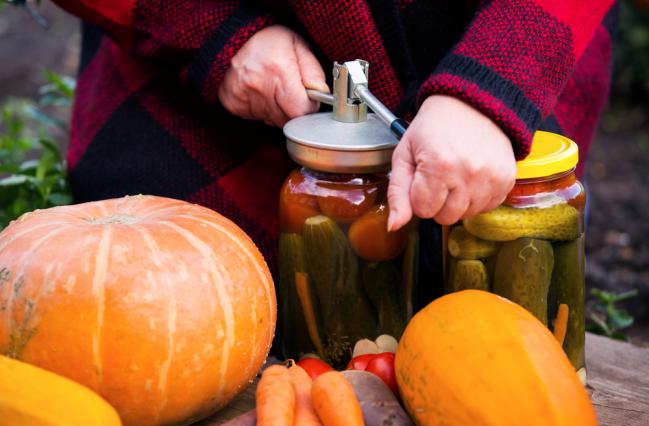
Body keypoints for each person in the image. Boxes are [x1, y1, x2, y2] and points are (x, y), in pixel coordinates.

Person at [51, 0, 616, 276]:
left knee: (505, 265)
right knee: (170, 280)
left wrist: (494, 86)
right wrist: (212, 27)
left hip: (511, 41)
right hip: (204, 104)